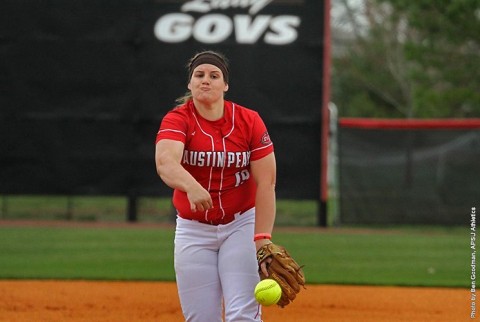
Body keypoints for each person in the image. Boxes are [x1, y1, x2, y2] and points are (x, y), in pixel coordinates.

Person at [155, 50, 277, 322]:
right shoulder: (178, 119)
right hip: (193, 228)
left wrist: (262, 238)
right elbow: (165, 162)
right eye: (199, 75)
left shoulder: (249, 120)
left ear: (225, 85)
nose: (205, 80)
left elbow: (266, 182)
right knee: (200, 318)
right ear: (190, 83)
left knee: (242, 315)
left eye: (214, 75)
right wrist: (192, 186)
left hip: (240, 225)